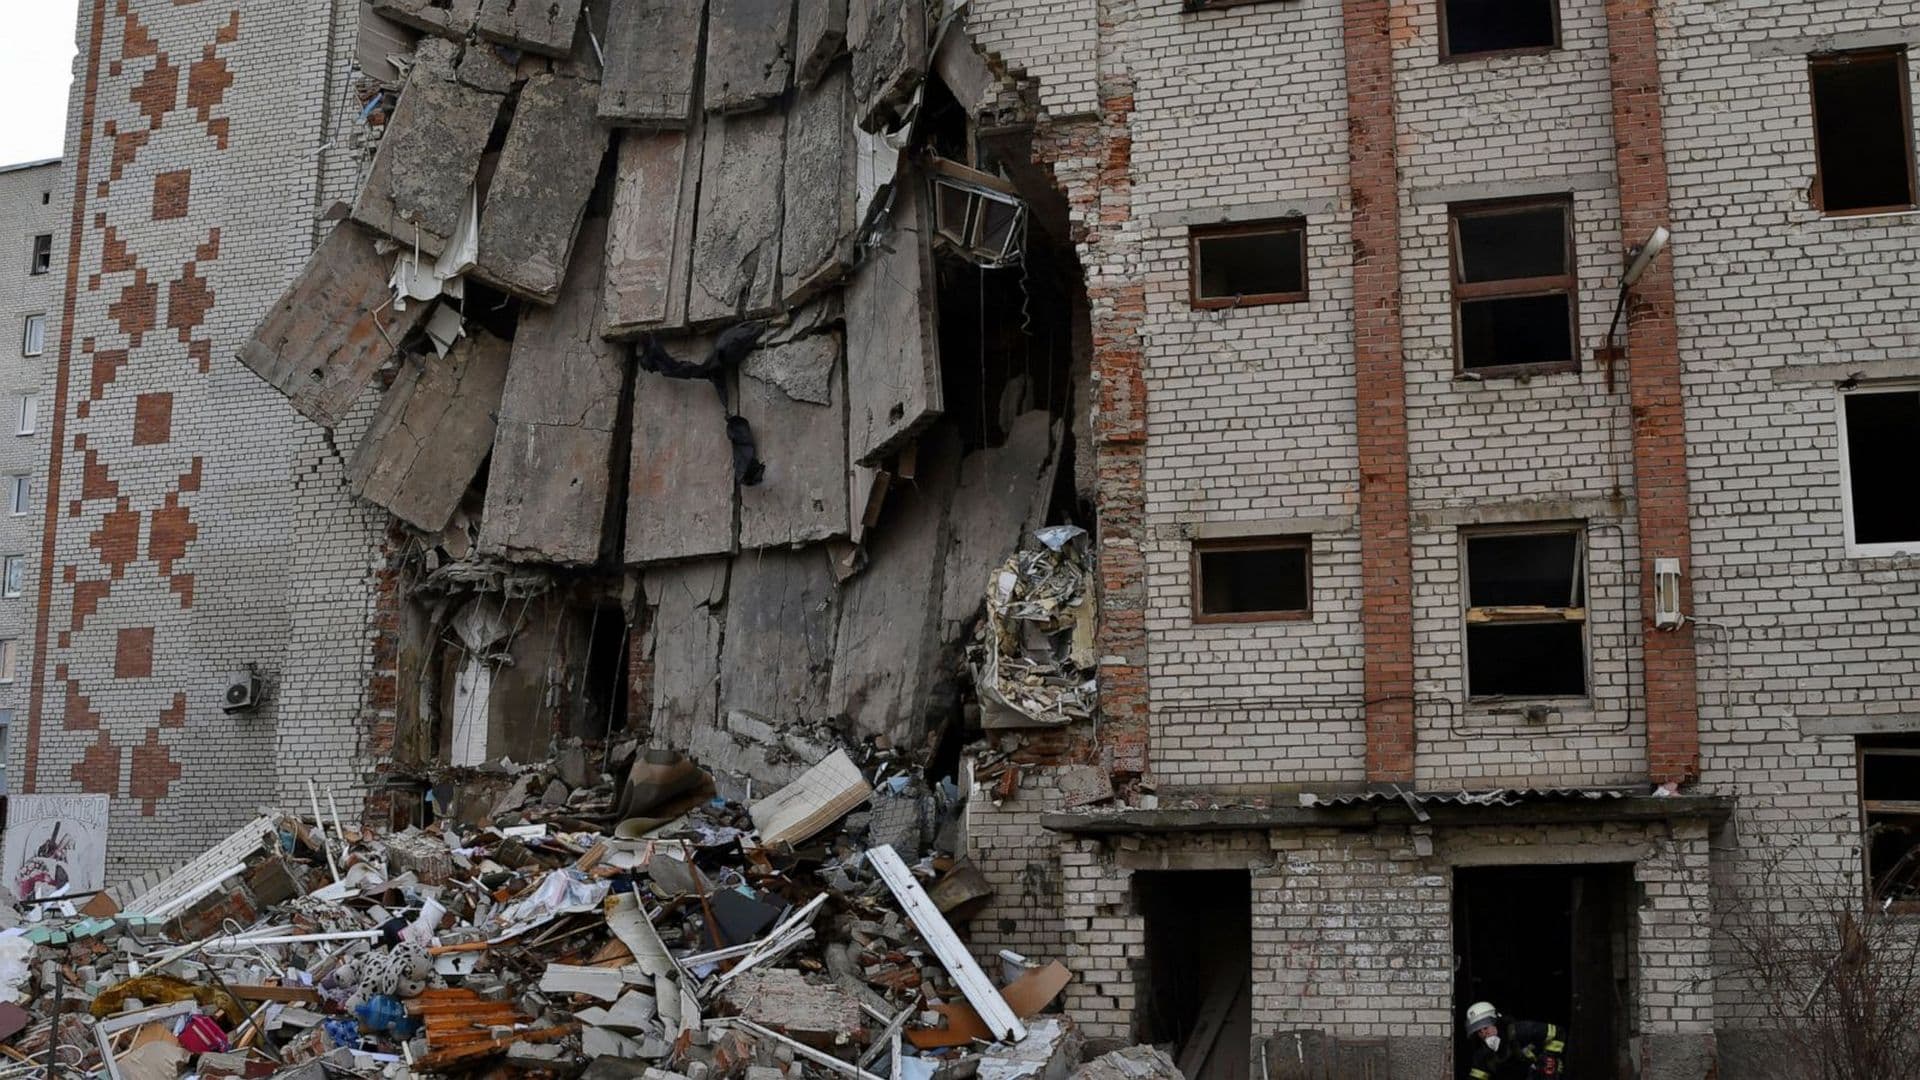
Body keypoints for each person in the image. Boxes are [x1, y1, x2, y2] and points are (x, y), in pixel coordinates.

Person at [1463, 1001, 1566, 1079]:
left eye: (1486, 1027)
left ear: (1496, 1021)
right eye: (1479, 1031)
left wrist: (1551, 1056)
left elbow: (1558, 1032)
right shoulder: (1483, 1056)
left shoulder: (1521, 1030)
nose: (1484, 1033)